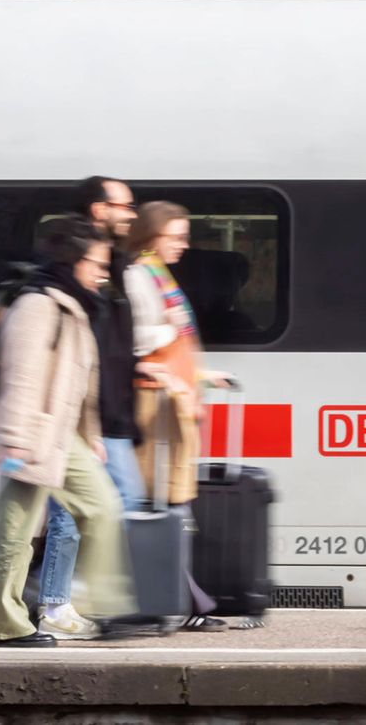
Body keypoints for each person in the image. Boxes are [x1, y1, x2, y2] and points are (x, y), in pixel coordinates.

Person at [0, 217, 135, 647]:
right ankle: (4, 625)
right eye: (96, 263)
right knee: (16, 533)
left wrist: (92, 434)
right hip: (31, 434)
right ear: (72, 261)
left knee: (103, 506)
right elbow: (22, 378)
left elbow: (80, 382)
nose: (103, 272)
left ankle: (102, 606)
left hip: (63, 435)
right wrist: (16, 439)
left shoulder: (72, 304)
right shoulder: (37, 305)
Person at [34, 177, 147, 641]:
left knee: (113, 506)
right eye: (125, 205)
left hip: (104, 416)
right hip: (77, 417)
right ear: (99, 209)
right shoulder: (64, 276)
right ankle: (56, 603)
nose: (133, 214)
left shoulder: (116, 266)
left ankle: (74, 599)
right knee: (69, 516)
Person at [123, 200, 233, 632]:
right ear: (152, 235)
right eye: (177, 236)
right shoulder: (138, 276)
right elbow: (137, 340)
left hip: (172, 401)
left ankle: (184, 599)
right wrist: (170, 329)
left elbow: (171, 351)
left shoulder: (156, 275)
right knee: (160, 503)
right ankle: (175, 600)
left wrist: (203, 375)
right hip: (153, 404)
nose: (185, 245)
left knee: (171, 503)